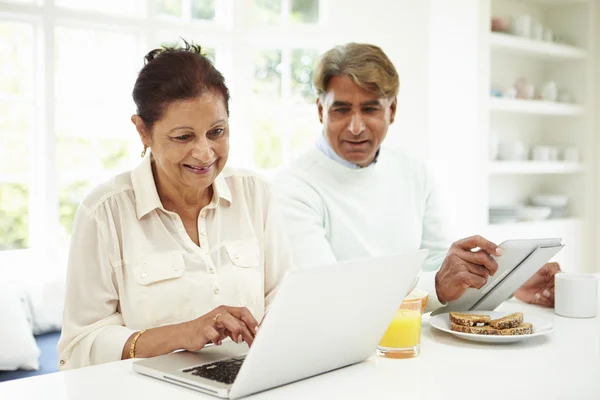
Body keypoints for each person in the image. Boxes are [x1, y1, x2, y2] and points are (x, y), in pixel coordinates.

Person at [57, 41, 294, 370]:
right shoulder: (104, 213)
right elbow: (79, 347)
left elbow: (284, 299)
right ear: (143, 131)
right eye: (183, 137)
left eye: (217, 132)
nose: (205, 153)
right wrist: (182, 333)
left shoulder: (256, 195)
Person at [274, 43, 559, 312]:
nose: (356, 127)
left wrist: (510, 283)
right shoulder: (294, 187)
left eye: (371, 109)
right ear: (321, 110)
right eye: (341, 109)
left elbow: (438, 264)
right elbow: (326, 293)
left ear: (392, 110)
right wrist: (435, 286)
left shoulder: (413, 172)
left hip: (413, 341)